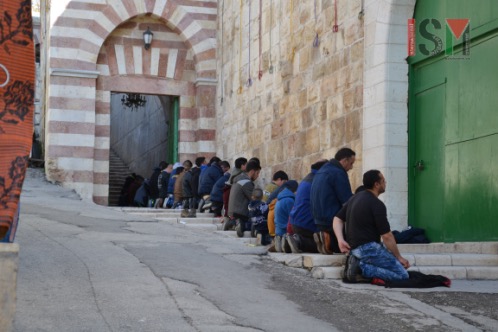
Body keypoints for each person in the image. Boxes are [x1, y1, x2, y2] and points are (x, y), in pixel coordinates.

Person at [333, 170, 410, 282]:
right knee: (403, 275)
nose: (385, 183)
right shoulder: (376, 204)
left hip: (355, 249)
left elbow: (337, 219)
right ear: (376, 184)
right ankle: (361, 268)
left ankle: (359, 264)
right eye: (383, 180)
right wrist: (399, 257)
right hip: (369, 249)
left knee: (390, 266)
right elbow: (387, 236)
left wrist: (340, 240)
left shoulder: (354, 198)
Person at [310, 148, 356, 254]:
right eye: (351, 163)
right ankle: (328, 239)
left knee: (334, 247)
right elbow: (347, 201)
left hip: (318, 220)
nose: (351, 167)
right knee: (350, 246)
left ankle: (323, 239)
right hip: (331, 221)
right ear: (344, 160)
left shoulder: (322, 170)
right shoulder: (338, 173)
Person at [286, 160, 328, 254]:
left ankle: (289, 241)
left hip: (295, 222)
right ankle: (299, 242)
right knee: (329, 244)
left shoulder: (306, 179)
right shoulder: (319, 181)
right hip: (307, 223)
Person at [227, 160, 261, 237]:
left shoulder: (239, 178)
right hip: (240, 212)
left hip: (232, 211)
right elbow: (255, 200)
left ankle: (232, 223)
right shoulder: (247, 182)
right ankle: (240, 224)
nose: (258, 176)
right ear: (252, 171)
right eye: (257, 173)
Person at [274, 180, 298, 252]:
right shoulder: (289, 200)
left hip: (278, 229)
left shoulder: (280, 199)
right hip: (285, 230)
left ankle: (279, 239)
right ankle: (286, 241)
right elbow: (292, 218)